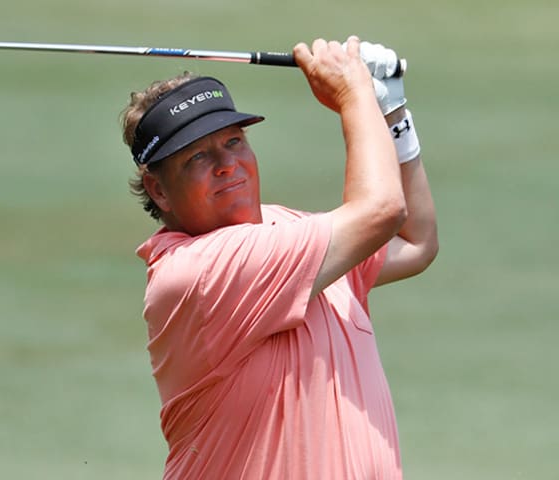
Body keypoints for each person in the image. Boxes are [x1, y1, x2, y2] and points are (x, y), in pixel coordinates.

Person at [119, 36, 438, 479]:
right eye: (197, 157)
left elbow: (416, 242)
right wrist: (355, 93)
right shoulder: (199, 271)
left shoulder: (285, 229)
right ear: (159, 191)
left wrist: (394, 113)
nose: (226, 163)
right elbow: (381, 211)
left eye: (233, 141)